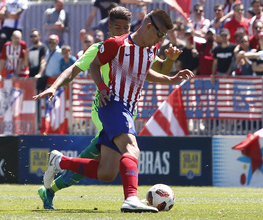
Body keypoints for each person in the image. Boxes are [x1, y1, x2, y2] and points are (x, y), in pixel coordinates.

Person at [34, 7, 192, 210]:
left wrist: (170, 69)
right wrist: (57, 86)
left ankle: (59, 163)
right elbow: (84, 68)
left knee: (107, 171)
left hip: (126, 111)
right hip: (110, 105)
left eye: (125, 27)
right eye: (160, 35)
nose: (161, 40)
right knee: (131, 149)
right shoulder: (112, 45)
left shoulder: (149, 48)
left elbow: (148, 71)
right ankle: (131, 199)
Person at [85, 0, 152, 30]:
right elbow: (92, 14)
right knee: (96, 35)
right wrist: (86, 28)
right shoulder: (99, 1)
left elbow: (127, 1)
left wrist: (142, 1)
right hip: (105, 24)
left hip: (115, 23)